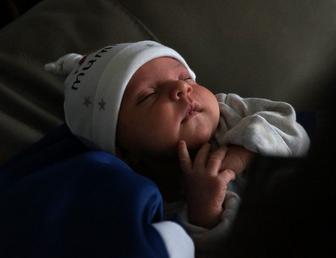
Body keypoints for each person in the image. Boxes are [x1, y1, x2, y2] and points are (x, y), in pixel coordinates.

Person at [0, 40, 310, 257]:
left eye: (184, 77)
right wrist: (204, 212)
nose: (180, 89)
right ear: (124, 150)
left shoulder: (232, 112)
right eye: (148, 96)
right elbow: (203, 249)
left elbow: (295, 132)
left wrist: (242, 154)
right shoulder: (159, 199)